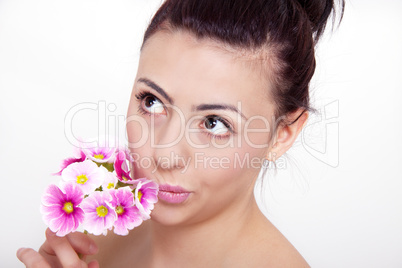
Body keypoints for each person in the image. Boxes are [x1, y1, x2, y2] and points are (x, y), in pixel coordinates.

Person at [17, 0, 344, 267]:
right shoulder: (96, 236)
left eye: (215, 123)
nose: (165, 154)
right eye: (152, 102)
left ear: (282, 134)